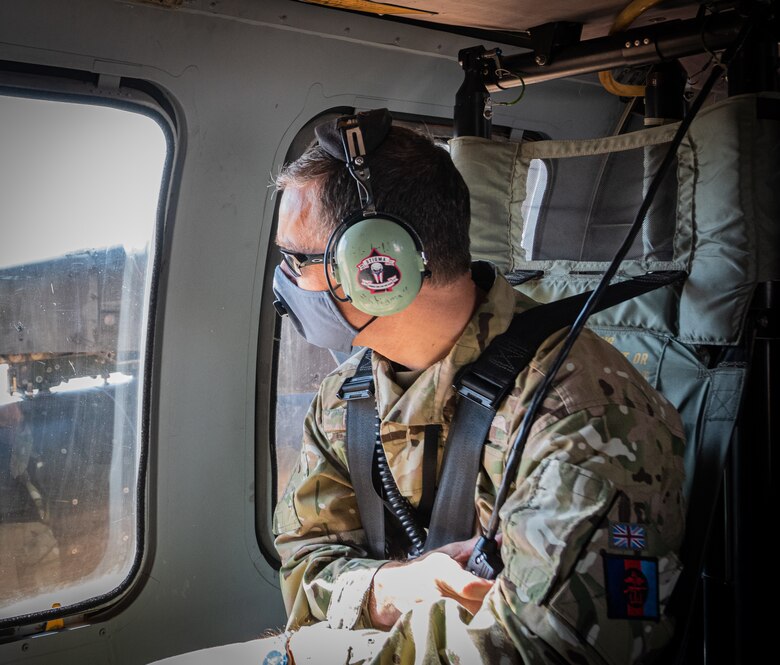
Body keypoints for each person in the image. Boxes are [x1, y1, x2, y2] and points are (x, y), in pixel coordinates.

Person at [265, 108, 686, 664]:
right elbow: (305, 564)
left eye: (298, 260)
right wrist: (388, 588)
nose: (286, 284)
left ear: (377, 267)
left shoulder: (582, 416)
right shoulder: (347, 399)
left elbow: (540, 650)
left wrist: (319, 650)